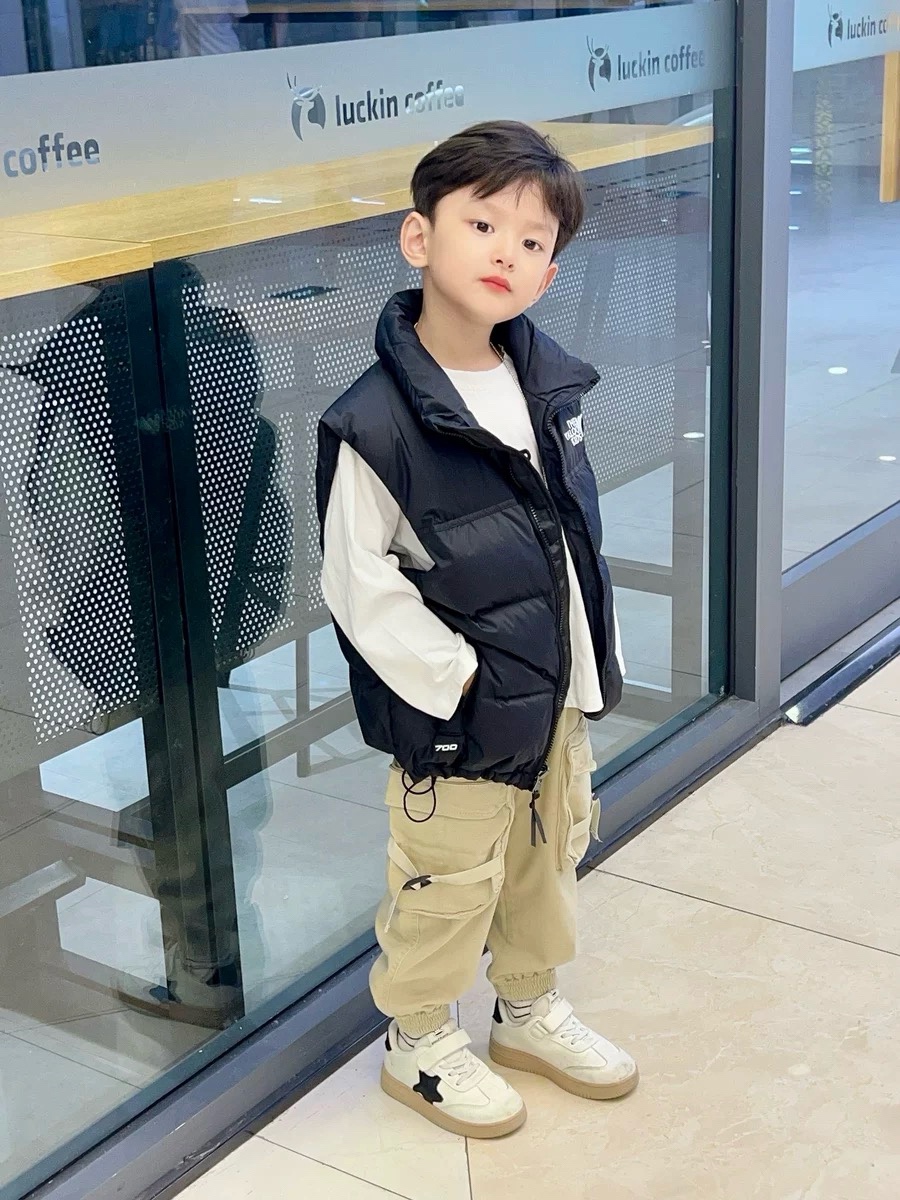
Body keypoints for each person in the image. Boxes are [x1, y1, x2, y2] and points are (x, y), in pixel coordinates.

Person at [315, 120, 638, 1139]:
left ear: (550, 273)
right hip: (457, 720)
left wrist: (590, 659)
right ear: (419, 238)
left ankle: (527, 1010)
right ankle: (418, 1040)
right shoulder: (375, 422)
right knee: (446, 881)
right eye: (483, 224)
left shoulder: (548, 387)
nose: (507, 252)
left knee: (547, 857)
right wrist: (457, 681)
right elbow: (358, 581)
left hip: (552, 697)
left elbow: (568, 541)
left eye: (533, 241)